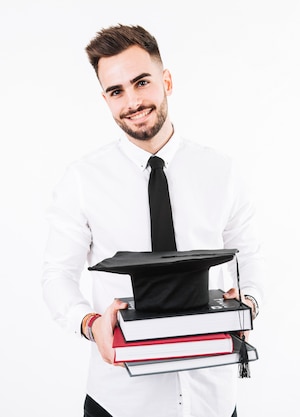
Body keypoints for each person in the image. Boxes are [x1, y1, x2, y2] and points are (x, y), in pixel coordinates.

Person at [41, 24, 263, 417]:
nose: (132, 101)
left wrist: (249, 302)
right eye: (116, 91)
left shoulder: (222, 172)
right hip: (120, 400)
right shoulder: (82, 180)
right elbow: (57, 276)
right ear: (106, 99)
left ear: (167, 81)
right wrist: (91, 323)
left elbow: (252, 259)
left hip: (211, 398)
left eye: (141, 82)